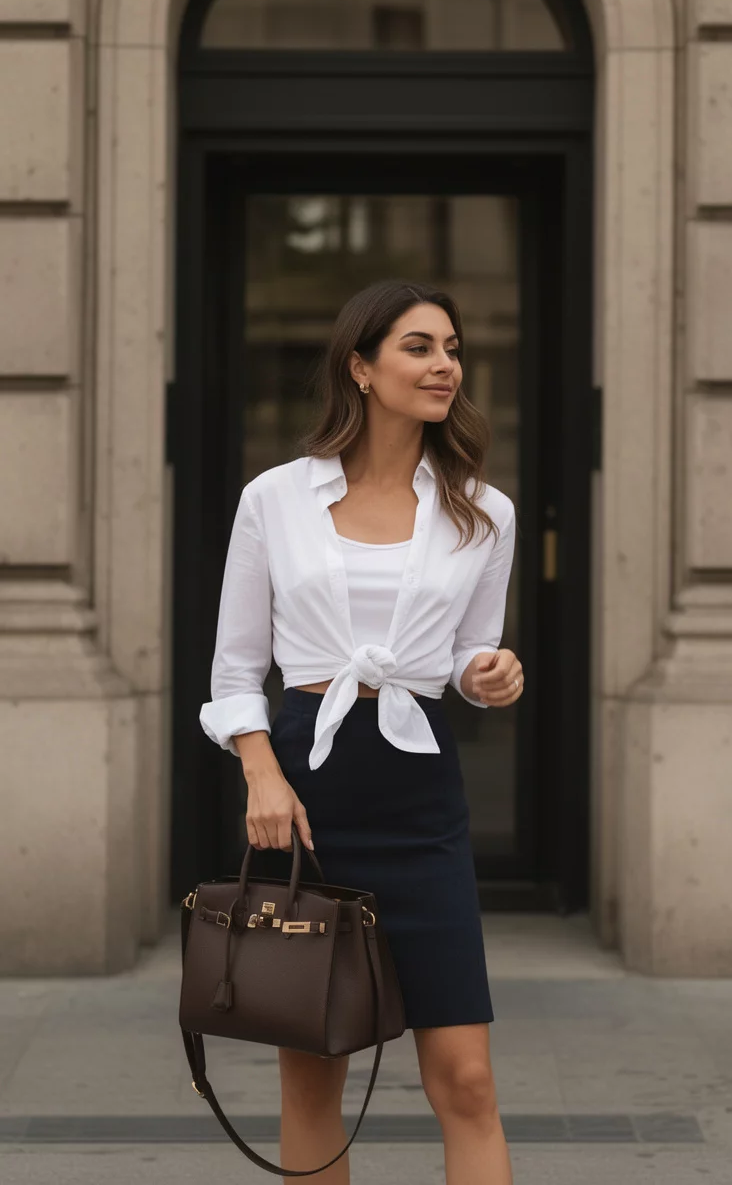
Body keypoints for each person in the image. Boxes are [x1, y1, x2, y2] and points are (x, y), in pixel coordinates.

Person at [199, 278, 524, 1184]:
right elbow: (235, 669)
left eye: (453, 348)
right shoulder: (275, 500)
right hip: (307, 794)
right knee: (311, 1076)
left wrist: (489, 675)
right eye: (420, 347)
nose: (445, 365)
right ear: (362, 367)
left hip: (422, 799)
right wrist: (263, 777)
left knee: (465, 1081)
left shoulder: (482, 512)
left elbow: (470, 656)